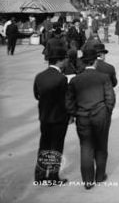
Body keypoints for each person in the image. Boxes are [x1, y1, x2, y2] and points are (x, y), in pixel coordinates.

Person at [65, 47, 116, 189]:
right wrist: (107, 111)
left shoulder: (75, 80)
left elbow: (69, 102)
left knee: (86, 147)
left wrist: (76, 112)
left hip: (83, 117)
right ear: (95, 62)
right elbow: (110, 98)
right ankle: (100, 176)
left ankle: (88, 181)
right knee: (101, 145)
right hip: (101, 115)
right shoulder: (103, 77)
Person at [33, 46, 70, 185]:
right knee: (56, 147)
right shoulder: (61, 78)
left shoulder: (39, 76)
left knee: (44, 145)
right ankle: (53, 177)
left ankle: (40, 175)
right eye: (65, 59)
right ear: (60, 61)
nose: (66, 61)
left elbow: (36, 95)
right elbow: (65, 100)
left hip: (44, 116)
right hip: (59, 118)